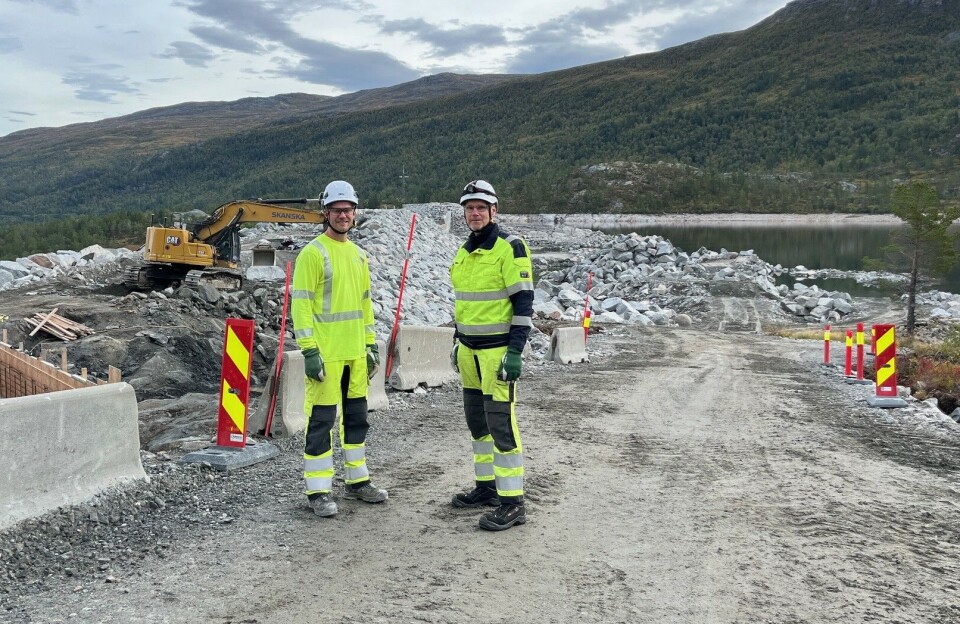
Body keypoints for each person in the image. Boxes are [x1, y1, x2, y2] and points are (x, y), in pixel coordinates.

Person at [291, 180, 388, 518]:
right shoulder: (313, 253)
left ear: (355, 213)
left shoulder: (359, 255)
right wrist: (309, 351)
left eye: (348, 210)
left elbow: (365, 306)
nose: (343, 215)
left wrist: (370, 345)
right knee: (322, 422)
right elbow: (301, 306)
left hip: (355, 355)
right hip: (327, 356)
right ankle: (318, 491)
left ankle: (357, 481)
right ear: (326, 213)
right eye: (337, 210)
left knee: (357, 420)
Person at [449, 179, 534, 531]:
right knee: (477, 422)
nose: (475, 213)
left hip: (497, 354)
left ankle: (513, 503)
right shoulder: (464, 251)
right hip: (469, 353)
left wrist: (515, 352)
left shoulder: (510, 247)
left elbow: (524, 303)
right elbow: (465, 304)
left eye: (481, 208)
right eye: (470, 208)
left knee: (501, 425)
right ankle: (486, 488)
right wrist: (457, 339)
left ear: (493, 211)